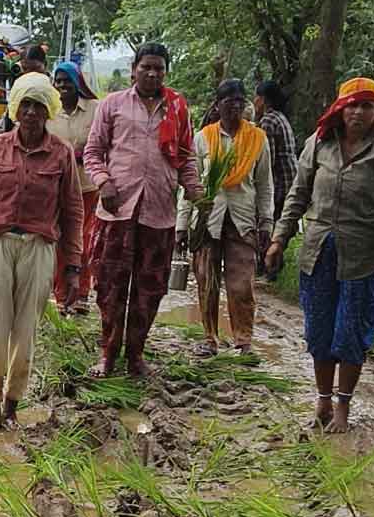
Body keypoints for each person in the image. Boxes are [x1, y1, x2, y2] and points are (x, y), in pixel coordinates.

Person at [264, 78, 374, 433]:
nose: (358, 112)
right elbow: (297, 197)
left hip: (367, 257)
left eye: (367, 106)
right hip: (320, 252)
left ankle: (344, 406)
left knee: (350, 334)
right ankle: (322, 401)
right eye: (352, 105)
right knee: (319, 331)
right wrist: (278, 240)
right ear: (340, 107)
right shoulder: (318, 144)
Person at [0, 73, 84, 430]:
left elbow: (74, 213)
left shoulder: (60, 154)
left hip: (39, 249)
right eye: (25, 105)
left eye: (38, 107)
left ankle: (13, 404)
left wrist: (72, 266)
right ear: (15, 109)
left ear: (48, 112)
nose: (30, 113)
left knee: (25, 330)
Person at [83, 42, 204, 378]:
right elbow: (93, 152)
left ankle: (136, 355)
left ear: (165, 72)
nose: (152, 73)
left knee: (149, 289)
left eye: (159, 69)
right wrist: (104, 182)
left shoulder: (178, 109)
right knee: (110, 287)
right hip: (117, 210)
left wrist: (194, 190)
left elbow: (185, 157)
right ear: (134, 68)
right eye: (146, 67)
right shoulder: (113, 105)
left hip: (159, 212)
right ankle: (108, 355)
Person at [176, 79, 274, 356]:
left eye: (239, 101)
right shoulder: (202, 138)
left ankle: (244, 341)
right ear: (217, 105)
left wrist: (266, 222)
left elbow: (265, 185)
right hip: (207, 219)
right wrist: (181, 226)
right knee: (206, 280)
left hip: (243, 220)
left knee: (242, 283)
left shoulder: (258, 139)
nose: (234, 106)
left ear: (244, 105)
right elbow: (189, 184)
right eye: (228, 101)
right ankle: (209, 338)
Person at [47, 61, 100, 314]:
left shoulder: (95, 109)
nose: (62, 85)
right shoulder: (50, 111)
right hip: (56, 189)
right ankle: (61, 296)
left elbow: (103, 143)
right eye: (58, 81)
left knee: (84, 241)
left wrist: (83, 154)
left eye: (67, 80)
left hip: (87, 186)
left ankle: (82, 294)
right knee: (59, 241)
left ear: (78, 82)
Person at [254, 80, 298, 276]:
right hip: (291, 179)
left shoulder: (268, 121)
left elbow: (267, 160)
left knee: (271, 223)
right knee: (281, 223)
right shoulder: (280, 117)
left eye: (256, 97)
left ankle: (269, 269)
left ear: (263, 100)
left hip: (280, 181)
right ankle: (271, 268)